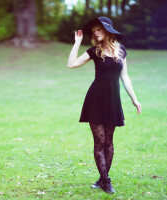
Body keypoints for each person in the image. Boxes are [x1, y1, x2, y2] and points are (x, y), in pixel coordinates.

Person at [66, 16, 142, 194]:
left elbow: (125, 77)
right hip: (96, 99)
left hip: (113, 100)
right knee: (99, 142)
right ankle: (106, 182)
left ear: (108, 30)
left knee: (109, 142)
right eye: (93, 31)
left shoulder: (121, 51)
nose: (95, 33)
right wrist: (77, 42)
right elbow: (71, 64)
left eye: (98, 29)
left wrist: (134, 99)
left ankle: (102, 179)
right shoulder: (94, 51)